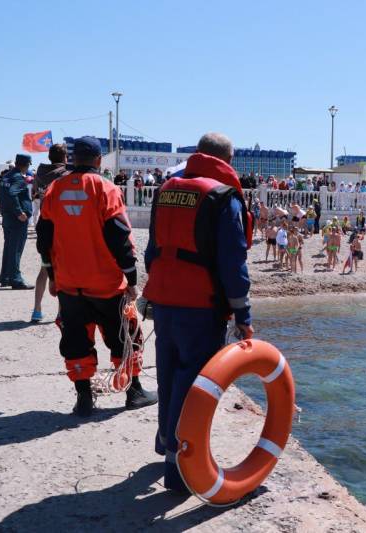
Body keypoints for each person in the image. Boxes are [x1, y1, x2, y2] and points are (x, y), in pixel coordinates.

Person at [142, 132, 253, 494]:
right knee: (192, 385)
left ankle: (165, 443)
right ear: (227, 161)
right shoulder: (223, 198)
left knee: (168, 375)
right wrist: (243, 315)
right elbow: (232, 263)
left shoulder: (166, 190)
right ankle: (179, 470)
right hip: (201, 306)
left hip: (164, 301)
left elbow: (152, 248)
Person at [36, 136, 157, 416]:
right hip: (106, 284)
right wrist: (132, 279)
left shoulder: (54, 189)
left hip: (69, 283)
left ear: (72, 159)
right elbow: (119, 236)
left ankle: (83, 398)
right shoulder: (106, 188)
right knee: (125, 337)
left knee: (75, 340)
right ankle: (134, 391)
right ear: (99, 161)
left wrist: (53, 276)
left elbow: (44, 238)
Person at [31, 144, 70, 322]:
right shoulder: (64, 174)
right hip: (60, 225)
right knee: (61, 271)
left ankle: (37, 310)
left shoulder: (39, 173)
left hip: (43, 223)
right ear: (64, 157)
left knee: (45, 268)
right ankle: (62, 312)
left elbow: (34, 194)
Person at [0, 155, 34, 290]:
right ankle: (15, 278)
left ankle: (6, 276)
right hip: (17, 220)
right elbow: (13, 194)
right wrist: (19, 212)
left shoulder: (7, 176)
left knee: (9, 248)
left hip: (7, 217)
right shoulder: (18, 177)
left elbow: (4, 195)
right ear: (25, 165)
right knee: (16, 249)